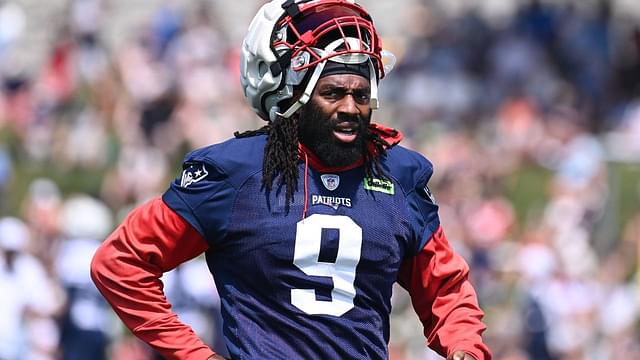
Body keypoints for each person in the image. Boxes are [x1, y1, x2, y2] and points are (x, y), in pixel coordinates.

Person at [90, 1, 491, 359]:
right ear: (293, 95)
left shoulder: (397, 175)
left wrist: (465, 346)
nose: (350, 108)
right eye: (333, 92)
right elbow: (121, 263)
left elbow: (445, 287)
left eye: (361, 93)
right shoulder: (236, 171)